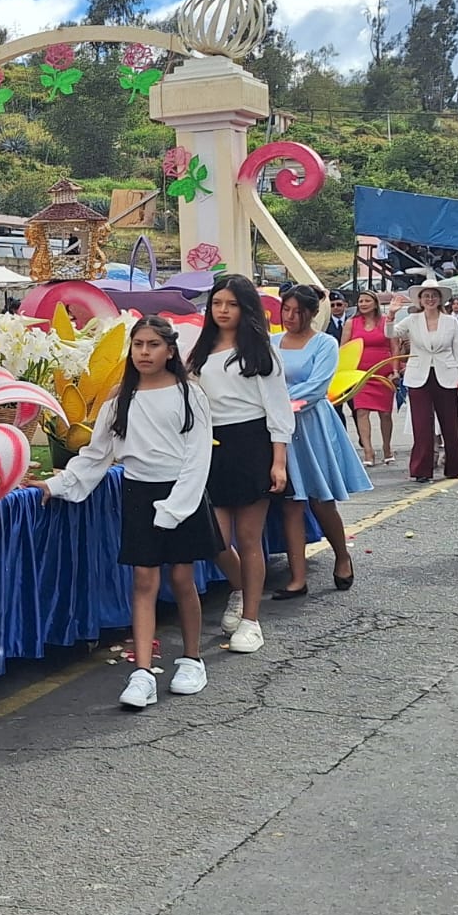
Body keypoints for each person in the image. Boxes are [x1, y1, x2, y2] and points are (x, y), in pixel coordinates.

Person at [35, 316, 216, 709]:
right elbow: (96, 455)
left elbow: (198, 457)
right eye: (138, 345)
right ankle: (142, 673)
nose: (145, 352)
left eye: (153, 345)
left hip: (182, 492)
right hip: (138, 493)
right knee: (144, 581)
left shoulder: (191, 395)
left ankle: (192, 660)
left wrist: (175, 508)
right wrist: (55, 485)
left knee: (182, 578)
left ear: (170, 351)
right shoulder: (120, 400)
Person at [187, 275, 293, 655]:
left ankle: (251, 620)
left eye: (231, 304)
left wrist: (278, 462)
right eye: (217, 303)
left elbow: (278, 410)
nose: (223, 310)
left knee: (249, 538)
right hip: (212, 445)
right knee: (214, 539)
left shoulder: (261, 353)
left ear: (246, 308)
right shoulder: (199, 350)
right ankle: (240, 589)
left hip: (252, 443)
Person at [271, 285, 369, 596]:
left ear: (312, 314)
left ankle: (342, 555)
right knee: (290, 502)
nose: (290, 317)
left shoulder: (325, 343)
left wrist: (279, 403)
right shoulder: (272, 342)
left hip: (310, 424)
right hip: (279, 428)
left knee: (320, 500)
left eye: (298, 312)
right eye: (286, 310)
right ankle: (297, 577)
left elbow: (316, 388)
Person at [388, 280, 458, 483]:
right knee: (422, 425)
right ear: (420, 300)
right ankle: (421, 470)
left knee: (450, 424)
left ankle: (453, 467)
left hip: (446, 374)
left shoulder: (450, 321)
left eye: (434, 296)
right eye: (426, 296)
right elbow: (390, 333)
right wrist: (391, 314)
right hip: (419, 375)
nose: (430, 299)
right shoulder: (412, 320)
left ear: (440, 299)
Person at [347, 290, 397, 467]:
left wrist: (395, 370)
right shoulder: (351, 323)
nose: (363, 304)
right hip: (360, 375)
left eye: (367, 301)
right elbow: (343, 349)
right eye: (360, 301)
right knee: (361, 411)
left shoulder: (385, 322)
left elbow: (394, 347)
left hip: (383, 373)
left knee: (385, 413)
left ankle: (387, 447)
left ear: (375, 303)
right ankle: (368, 451)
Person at [324, 292, 351, 429]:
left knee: (356, 408)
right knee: (336, 408)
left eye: (339, 304)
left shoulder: (353, 321)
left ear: (345, 305)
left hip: (351, 369)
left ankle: (363, 437)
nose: (336, 307)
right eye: (332, 305)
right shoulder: (325, 324)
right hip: (333, 370)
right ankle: (343, 434)